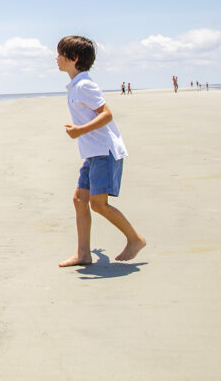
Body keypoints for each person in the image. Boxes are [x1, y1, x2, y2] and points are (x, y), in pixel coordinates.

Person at [56, 36, 146, 267]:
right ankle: (84, 254)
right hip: (92, 153)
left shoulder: (85, 85)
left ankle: (135, 239)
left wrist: (79, 131)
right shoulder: (77, 85)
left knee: (98, 204)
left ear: (73, 59)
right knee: (79, 200)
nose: (56, 58)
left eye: (60, 54)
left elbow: (106, 114)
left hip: (104, 152)